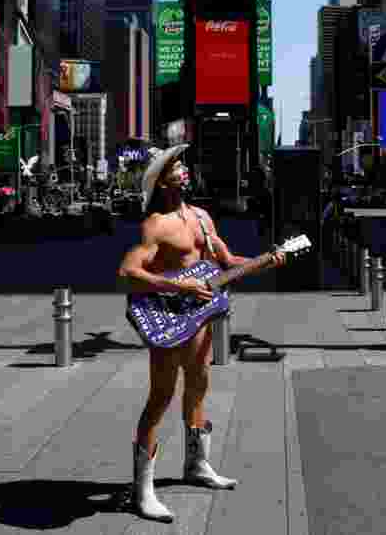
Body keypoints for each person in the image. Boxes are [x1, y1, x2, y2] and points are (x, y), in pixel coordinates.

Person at [118, 143, 285, 523]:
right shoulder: (155, 224)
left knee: (198, 386)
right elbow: (127, 272)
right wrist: (182, 288)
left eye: (182, 164)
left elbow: (227, 263)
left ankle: (197, 465)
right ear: (161, 181)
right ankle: (142, 491)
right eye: (175, 167)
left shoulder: (203, 218)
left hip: (199, 321)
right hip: (168, 317)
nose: (183, 170)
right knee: (160, 397)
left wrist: (266, 261)